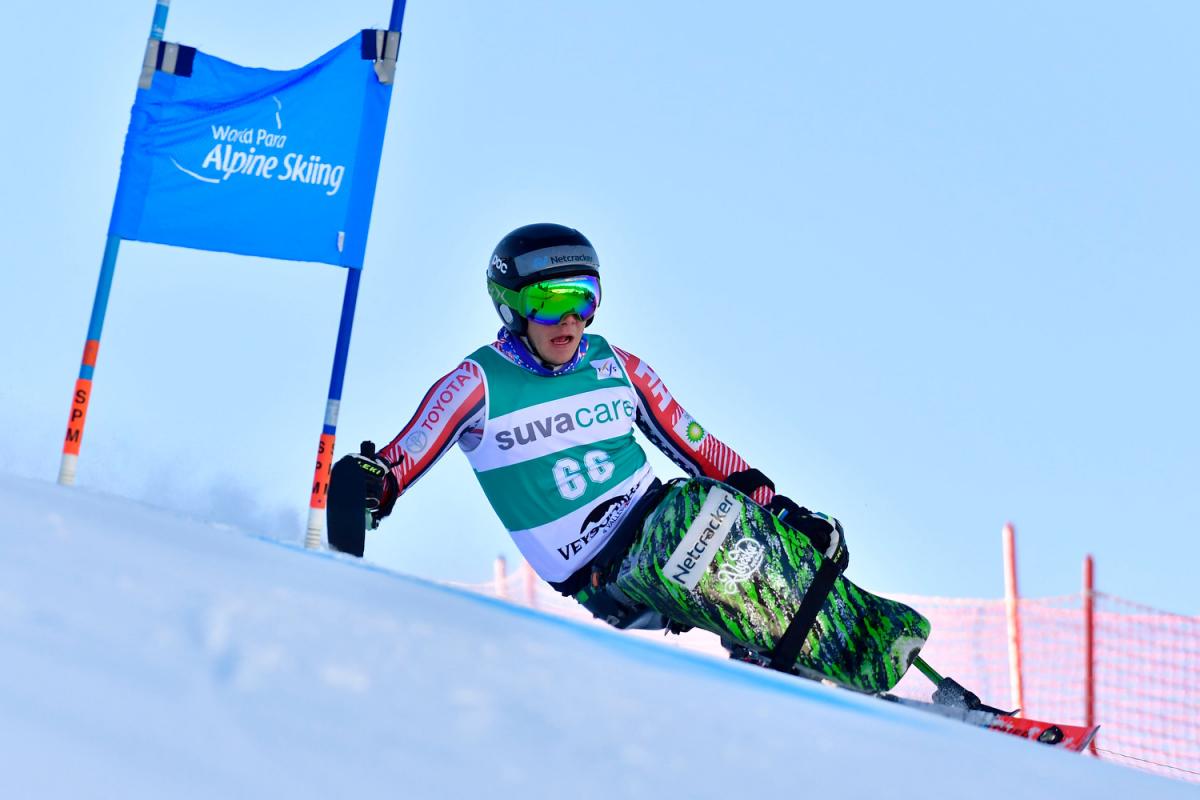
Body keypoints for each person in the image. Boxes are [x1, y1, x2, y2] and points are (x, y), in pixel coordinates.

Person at [336, 223, 845, 631]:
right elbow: (403, 457)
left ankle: (817, 639)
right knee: (700, 513)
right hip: (604, 571)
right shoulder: (478, 382)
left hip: (665, 521)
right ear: (510, 305)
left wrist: (780, 509)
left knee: (736, 520)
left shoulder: (616, 365)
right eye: (550, 302)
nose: (569, 321)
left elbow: (699, 446)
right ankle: (787, 634)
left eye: (583, 300)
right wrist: (371, 481)